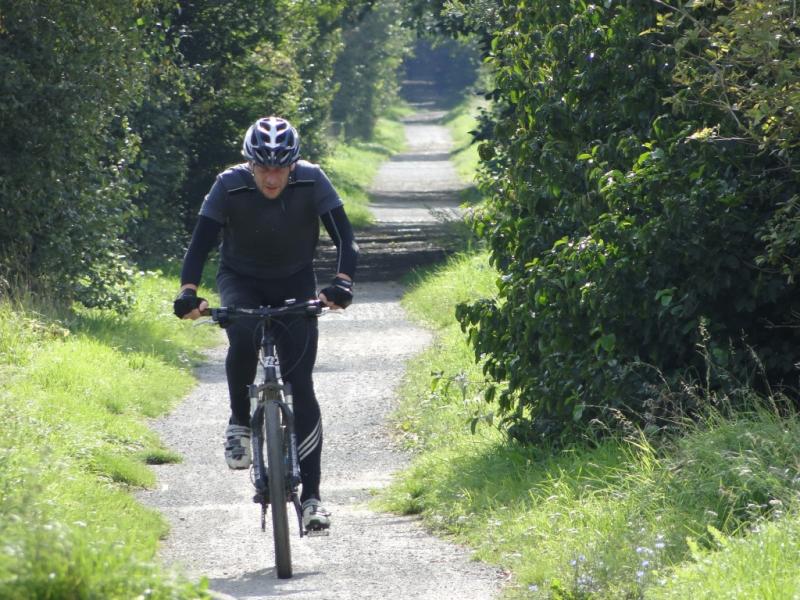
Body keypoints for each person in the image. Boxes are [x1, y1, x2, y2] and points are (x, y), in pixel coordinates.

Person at [172, 116, 358, 531]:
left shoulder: (312, 180)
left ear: (293, 165)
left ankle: (313, 498)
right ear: (250, 163)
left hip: (295, 280)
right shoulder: (228, 185)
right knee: (241, 334)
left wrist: (343, 282)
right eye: (263, 167)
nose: (271, 178)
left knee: (301, 384)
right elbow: (200, 244)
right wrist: (188, 292)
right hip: (241, 279)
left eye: (280, 168)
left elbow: (346, 238)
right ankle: (240, 420)